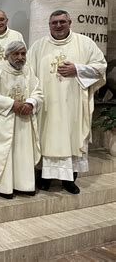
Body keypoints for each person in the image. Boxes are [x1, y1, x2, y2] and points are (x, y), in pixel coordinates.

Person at [28, 10, 106, 194]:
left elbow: (101, 66)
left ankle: (69, 180)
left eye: (62, 22)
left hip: (74, 105)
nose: (58, 25)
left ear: (70, 23)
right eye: (54, 22)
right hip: (47, 105)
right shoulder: (39, 46)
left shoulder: (84, 43)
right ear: (49, 25)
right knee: (46, 138)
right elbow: (28, 73)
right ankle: (44, 177)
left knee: (72, 138)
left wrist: (77, 69)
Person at [0, 41, 43, 199]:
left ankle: (24, 185)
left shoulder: (28, 71)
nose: (20, 57)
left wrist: (31, 102)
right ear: (7, 56)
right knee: (3, 155)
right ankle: (2, 187)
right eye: (16, 54)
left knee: (22, 154)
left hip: (24, 121)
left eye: (23, 54)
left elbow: (38, 92)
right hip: (3, 120)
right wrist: (11, 104)